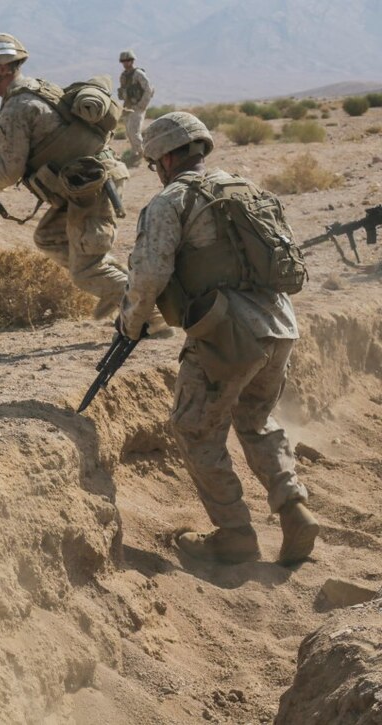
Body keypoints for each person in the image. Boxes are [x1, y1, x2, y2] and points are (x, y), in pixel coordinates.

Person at [117, 111, 319, 566]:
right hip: (280, 324)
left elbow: (148, 274)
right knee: (257, 421)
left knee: (194, 428)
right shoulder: (247, 188)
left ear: (166, 157)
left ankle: (234, 535)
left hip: (228, 334)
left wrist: (130, 323)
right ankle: (294, 508)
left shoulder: (170, 202)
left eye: (154, 162)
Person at [0, 33, 152, 324]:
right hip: (87, 183)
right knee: (49, 237)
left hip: (91, 188)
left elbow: (7, 173)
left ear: (3, 68)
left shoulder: (17, 108)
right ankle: (123, 289)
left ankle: (149, 314)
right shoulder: (35, 90)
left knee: (86, 270)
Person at [117, 50, 155, 164]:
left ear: (132, 61)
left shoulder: (138, 74)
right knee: (129, 132)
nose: (126, 63)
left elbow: (148, 89)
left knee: (134, 132)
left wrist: (142, 105)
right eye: (123, 61)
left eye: (128, 60)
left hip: (137, 106)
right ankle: (135, 154)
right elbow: (124, 91)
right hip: (127, 106)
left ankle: (143, 155)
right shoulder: (123, 75)